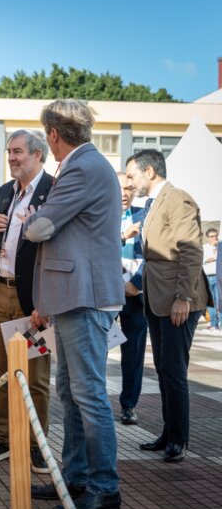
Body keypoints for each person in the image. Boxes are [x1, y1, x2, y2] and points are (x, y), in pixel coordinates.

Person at [24, 99, 124, 509]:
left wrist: (33, 218)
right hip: (74, 295)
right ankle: (77, 477)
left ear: (52, 134)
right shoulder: (87, 164)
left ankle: (103, 486)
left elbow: (40, 228)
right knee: (71, 391)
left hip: (84, 296)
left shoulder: (81, 168)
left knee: (87, 394)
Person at [127, 149, 212, 463]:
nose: (130, 182)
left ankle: (178, 439)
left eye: (133, 175)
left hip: (178, 299)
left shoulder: (177, 199)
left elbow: (191, 251)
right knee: (164, 369)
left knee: (174, 370)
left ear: (149, 172)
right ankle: (168, 433)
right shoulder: (153, 203)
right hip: (157, 298)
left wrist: (183, 297)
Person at [0, 129, 54, 472]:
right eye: (9, 151)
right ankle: (2, 438)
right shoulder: (7, 191)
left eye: (18, 151)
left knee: (35, 376)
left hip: (32, 296)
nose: (11, 157)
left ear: (38, 155)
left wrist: (44, 301)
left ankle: (37, 444)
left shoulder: (53, 189)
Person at [117, 172, 147, 425]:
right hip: (105, 293)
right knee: (97, 349)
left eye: (129, 188)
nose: (125, 193)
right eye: (120, 188)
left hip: (136, 295)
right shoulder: (99, 213)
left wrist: (136, 283)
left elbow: (153, 252)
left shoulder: (144, 215)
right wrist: (123, 236)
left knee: (133, 353)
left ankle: (129, 405)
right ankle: (92, 402)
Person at [203, 228, 220, 331]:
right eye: (212, 236)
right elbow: (204, 260)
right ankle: (214, 324)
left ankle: (220, 324)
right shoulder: (204, 248)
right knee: (211, 302)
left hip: (219, 277)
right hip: (208, 277)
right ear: (207, 238)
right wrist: (215, 257)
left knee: (220, 301)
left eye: (216, 236)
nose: (215, 238)